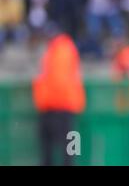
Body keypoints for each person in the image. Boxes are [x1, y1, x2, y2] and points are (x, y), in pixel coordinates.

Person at [32, 27, 86, 166]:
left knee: (68, 144)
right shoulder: (56, 49)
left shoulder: (62, 49)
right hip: (58, 104)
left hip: (60, 104)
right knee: (65, 144)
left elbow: (58, 79)